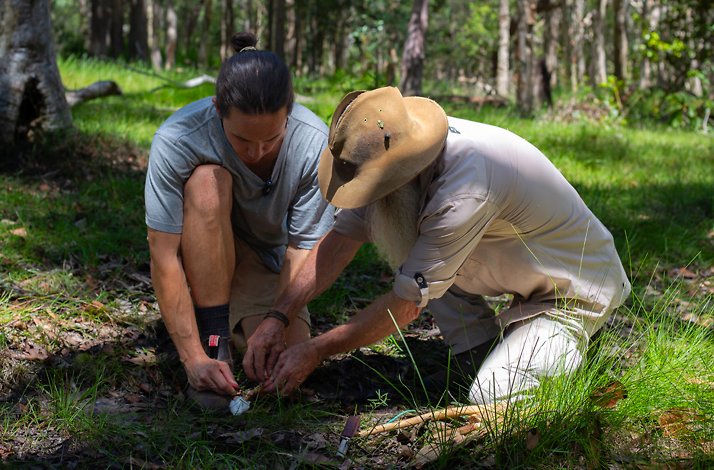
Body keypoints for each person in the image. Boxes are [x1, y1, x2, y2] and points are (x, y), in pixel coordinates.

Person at [243, 86, 631, 405]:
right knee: (416, 262)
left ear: (399, 172)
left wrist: (315, 350)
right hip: (516, 270)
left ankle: (573, 348)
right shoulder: (391, 150)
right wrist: (279, 317)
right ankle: (478, 352)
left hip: (573, 292)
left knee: (492, 395)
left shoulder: (464, 189)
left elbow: (406, 303)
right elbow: (339, 242)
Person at [144, 32, 334, 411]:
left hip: (267, 259)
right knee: (206, 182)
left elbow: (303, 249)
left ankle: (230, 325)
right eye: (243, 139)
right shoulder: (178, 138)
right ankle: (214, 342)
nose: (257, 152)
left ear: (290, 113)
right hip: (201, 243)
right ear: (217, 109)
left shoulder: (314, 143)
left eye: (271, 140)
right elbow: (163, 255)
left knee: (279, 369)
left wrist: (278, 322)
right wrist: (192, 359)